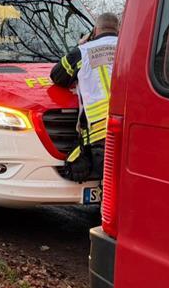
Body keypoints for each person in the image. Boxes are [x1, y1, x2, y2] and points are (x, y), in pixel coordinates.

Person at [50, 12, 119, 182]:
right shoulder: (130, 47)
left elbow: (57, 76)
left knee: (107, 184)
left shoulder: (82, 51)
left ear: (95, 30)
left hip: (99, 134)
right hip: (132, 128)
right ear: (119, 29)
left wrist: (79, 45)